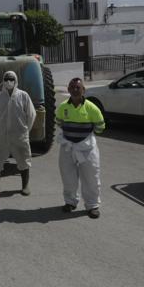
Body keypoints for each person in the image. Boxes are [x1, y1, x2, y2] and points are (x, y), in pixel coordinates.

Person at [56, 78, 105, 219]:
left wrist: (83, 138)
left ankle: (92, 205)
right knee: (68, 177)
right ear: (68, 89)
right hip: (68, 147)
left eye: (78, 87)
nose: (75, 90)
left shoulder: (92, 108)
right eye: (72, 87)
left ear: (83, 90)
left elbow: (100, 127)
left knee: (91, 177)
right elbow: (59, 122)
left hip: (87, 149)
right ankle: (70, 202)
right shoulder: (63, 107)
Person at [0, 71, 36, 195]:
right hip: (2, 134)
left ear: (15, 81)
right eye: (6, 79)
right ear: (3, 81)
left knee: (23, 158)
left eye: (11, 79)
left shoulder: (23, 95)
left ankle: (25, 186)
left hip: (19, 134)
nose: (8, 82)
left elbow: (31, 114)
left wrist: (26, 130)